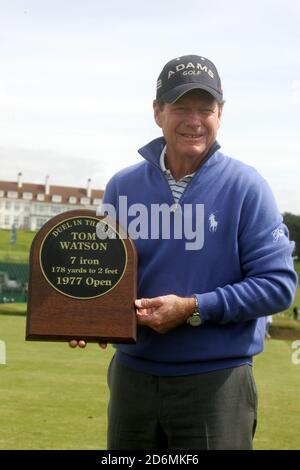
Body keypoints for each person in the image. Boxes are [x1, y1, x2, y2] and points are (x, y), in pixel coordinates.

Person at [70, 54, 298, 450]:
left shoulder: (247, 187)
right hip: (132, 379)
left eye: (205, 108)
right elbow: (104, 277)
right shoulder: (122, 187)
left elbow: (278, 286)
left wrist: (193, 307)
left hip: (216, 382)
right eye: (181, 107)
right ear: (158, 112)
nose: (194, 120)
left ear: (220, 115)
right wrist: (85, 316)